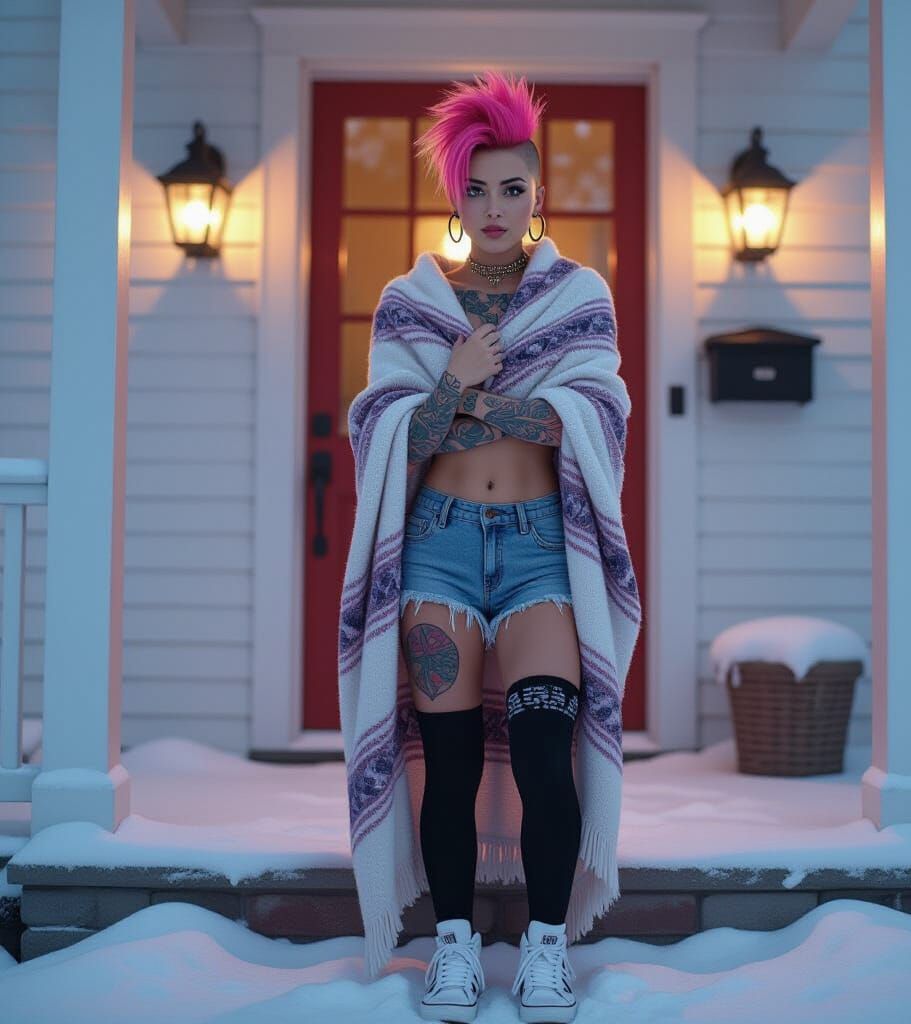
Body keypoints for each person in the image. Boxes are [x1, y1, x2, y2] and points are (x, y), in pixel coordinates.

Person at [406, 71, 581, 1024]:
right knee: (452, 760)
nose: (496, 206)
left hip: (538, 549)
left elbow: (581, 422)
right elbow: (393, 435)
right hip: (438, 546)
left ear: (538, 193)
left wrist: (464, 396)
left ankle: (547, 952)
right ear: (456, 195)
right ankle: (455, 950)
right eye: (478, 188)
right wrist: (454, 387)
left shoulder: (575, 295)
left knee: (549, 757)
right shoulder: (414, 299)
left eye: (514, 187)